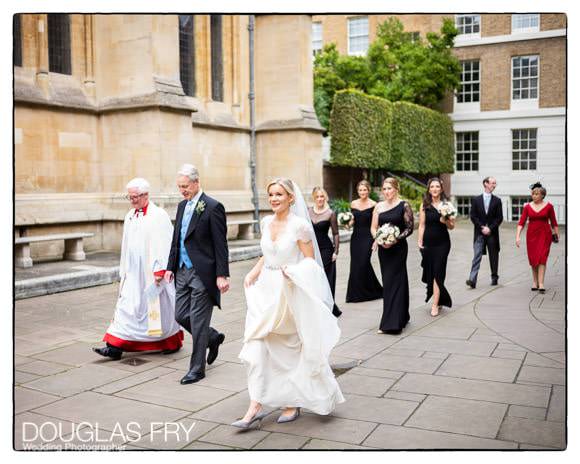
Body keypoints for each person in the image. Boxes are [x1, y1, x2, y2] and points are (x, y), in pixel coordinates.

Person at [233, 178, 345, 429]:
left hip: (288, 289)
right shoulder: (265, 222)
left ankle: (292, 401)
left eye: (279, 194)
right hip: (264, 291)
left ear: (291, 198)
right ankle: (256, 404)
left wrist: (292, 272)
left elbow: (310, 262)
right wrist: (254, 271)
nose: (273, 199)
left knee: (288, 350)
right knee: (256, 346)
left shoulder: (300, 226)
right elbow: (267, 253)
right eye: (271, 194)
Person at [93, 178, 183, 360]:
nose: (132, 200)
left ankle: (170, 342)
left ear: (145, 195)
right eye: (130, 197)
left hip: (152, 274)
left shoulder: (159, 215)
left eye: (135, 197)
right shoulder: (129, 216)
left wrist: (160, 271)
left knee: (159, 311)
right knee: (126, 307)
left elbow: (166, 243)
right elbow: (126, 245)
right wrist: (124, 270)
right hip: (133, 273)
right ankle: (114, 347)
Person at [164, 164, 229, 385]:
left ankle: (197, 369)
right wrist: (170, 267)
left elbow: (221, 244)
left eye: (185, 186)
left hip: (203, 273)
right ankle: (212, 337)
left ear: (196, 182)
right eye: (180, 187)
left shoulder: (212, 207)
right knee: (181, 315)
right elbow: (177, 239)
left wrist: (222, 274)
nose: (182, 190)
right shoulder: (182, 206)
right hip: (182, 270)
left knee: (199, 322)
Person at [371, 178, 414, 334]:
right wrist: (379, 239)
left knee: (397, 280)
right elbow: (373, 227)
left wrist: (394, 239)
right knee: (389, 282)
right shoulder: (379, 207)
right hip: (384, 250)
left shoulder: (404, 205)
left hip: (399, 249)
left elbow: (409, 228)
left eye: (389, 188)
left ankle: (392, 323)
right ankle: (402, 315)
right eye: (384, 189)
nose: (386, 191)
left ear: (396, 189)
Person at [417, 177, 455, 317]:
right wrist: (419, 241)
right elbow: (422, 225)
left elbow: (452, 227)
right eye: (432, 186)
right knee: (432, 273)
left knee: (438, 273)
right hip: (428, 243)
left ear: (441, 189)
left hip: (442, 244)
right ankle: (440, 299)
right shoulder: (424, 205)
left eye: (437, 186)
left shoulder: (447, 205)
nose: (434, 189)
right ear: (429, 189)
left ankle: (435, 305)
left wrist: (445, 221)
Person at [516, 182, 559, 293]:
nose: (534, 196)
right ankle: (534, 282)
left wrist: (556, 234)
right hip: (531, 236)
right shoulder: (527, 207)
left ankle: (541, 284)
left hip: (545, 235)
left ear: (542, 195)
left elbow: (554, 222)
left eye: (536, 194)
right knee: (533, 259)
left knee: (542, 258)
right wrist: (517, 236)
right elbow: (521, 222)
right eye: (533, 194)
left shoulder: (549, 206)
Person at [345, 180, 383, 303]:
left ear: (369, 190)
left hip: (368, 237)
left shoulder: (374, 205)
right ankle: (356, 294)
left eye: (364, 190)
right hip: (356, 237)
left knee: (363, 262)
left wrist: (376, 239)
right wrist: (346, 223)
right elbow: (352, 221)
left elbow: (376, 224)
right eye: (360, 190)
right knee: (356, 264)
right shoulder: (353, 204)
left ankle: (371, 291)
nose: (362, 192)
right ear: (358, 191)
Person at [308, 187, 342, 318]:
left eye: (322, 196)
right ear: (314, 198)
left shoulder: (330, 213)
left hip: (326, 249)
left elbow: (336, 233)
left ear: (325, 198)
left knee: (326, 278)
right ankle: (315, 305)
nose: (320, 199)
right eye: (317, 197)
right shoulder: (308, 212)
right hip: (311, 249)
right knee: (313, 277)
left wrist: (336, 251)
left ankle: (327, 306)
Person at [466, 177, 503, 288]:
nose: (494, 185)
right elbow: (473, 216)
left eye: (495, 183)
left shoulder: (497, 201)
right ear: (485, 184)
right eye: (492, 183)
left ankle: (494, 277)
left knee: (493, 256)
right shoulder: (476, 200)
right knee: (477, 255)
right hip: (479, 233)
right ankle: (472, 280)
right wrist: (482, 227)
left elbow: (499, 218)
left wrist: (490, 228)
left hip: (492, 234)